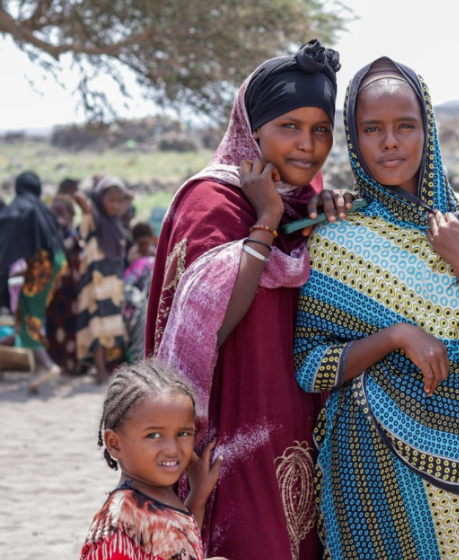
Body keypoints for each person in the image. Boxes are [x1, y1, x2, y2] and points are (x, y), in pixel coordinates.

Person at [293, 57, 459, 559]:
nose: (390, 142)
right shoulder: (334, 239)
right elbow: (311, 367)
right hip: (371, 469)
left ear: (429, 129)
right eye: (371, 129)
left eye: (405, 126)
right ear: (354, 140)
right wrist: (396, 335)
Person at [146, 39, 351, 560]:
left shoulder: (303, 204)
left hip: (296, 432)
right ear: (251, 129)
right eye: (289, 127)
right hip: (231, 439)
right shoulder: (211, 203)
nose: (308, 145)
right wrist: (264, 224)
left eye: (321, 129)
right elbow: (207, 329)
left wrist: (319, 225)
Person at [81, 360, 225, 560]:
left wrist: (198, 496)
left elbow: (179, 544)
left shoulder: (157, 495)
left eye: (183, 433)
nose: (172, 449)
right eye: (154, 435)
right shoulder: (120, 521)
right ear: (114, 443)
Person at [0, 171, 68, 392]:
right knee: (27, 312)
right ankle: (40, 367)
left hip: (41, 267)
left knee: (28, 315)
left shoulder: (22, 205)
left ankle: (48, 365)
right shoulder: (41, 207)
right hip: (56, 262)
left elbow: (8, 224)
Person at [74, 176, 130, 383]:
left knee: (113, 327)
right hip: (96, 284)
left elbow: (128, 198)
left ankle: (107, 369)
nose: (115, 205)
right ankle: (100, 372)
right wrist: (93, 188)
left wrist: (115, 186)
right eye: (110, 199)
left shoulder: (115, 221)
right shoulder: (93, 217)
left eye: (118, 200)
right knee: (97, 327)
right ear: (99, 198)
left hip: (113, 283)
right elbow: (79, 198)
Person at [45, 193, 84, 376]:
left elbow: (65, 248)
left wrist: (60, 229)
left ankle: (72, 366)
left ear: (70, 214)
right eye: (53, 212)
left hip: (70, 290)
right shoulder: (49, 236)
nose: (57, 216)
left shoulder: (73, 235)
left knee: (71, 327)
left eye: (61, 212)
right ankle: (56, 365)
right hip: (53, 290)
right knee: (53, 326)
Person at [123, 222, 156, 362]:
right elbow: (130, 279)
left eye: (146, 243)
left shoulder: (155, 252)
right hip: (137, 294)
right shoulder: (133, 255)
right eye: (140, 244)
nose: (144, 247)